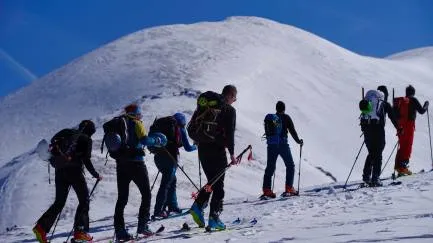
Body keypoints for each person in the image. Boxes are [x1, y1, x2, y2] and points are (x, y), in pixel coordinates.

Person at [33, 120, 101, 243]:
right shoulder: (86, 139)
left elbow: (52, 148)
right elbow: (86, 160)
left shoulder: (65, 133)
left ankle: (41, 228)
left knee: (59, 202)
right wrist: (96, 175)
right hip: (74, 171)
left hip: (59, 171)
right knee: (84, 199)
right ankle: (80, 232)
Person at [113, 104, 167, 241]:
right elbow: (144, 140)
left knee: (122, 199)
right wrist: (157, 140)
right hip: (136, 164)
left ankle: (119, 230)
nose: (140, 116)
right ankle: (142, 226)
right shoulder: (137, 123)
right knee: (146, 195)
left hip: (121, 164)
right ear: (136, 114)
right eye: (139, 113)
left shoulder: (119, 124)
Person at [189, 85, 238, 231]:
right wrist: (232, 153)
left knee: (212, 181)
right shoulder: (229, 110)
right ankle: (213, 218)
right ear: (230, 95)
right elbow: (230, 134)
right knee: (219, 185)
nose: (234, 101)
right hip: (217, 150)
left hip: (203, 149)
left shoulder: (207, 106)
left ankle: (198, 207)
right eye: (234, 98)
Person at [150, 112, 197, 219]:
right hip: (170, 158)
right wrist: (196, 146)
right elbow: (188, 148)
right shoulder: (180, 129)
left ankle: (172, 206)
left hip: (158, 157)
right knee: (166, 184)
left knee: (171, 180)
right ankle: (159, 210)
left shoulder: (163, 126)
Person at [261, 101, 303, 198]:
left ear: (276, 108)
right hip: (283, 144)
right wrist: (298, 141)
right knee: (290, 165)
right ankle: (289, 188)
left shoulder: (271, 118)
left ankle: (267, 190)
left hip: (271, 144)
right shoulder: (286, 117)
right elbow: (292, 131)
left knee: (270, 167)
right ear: (284, 109)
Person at [360, 86, 400, 187]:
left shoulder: (369, 101)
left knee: (371, 153)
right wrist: (399, 129)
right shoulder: (384, 103)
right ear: (385, 94)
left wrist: (364, 130)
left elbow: (363, 115)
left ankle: (366, 176)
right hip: (378, 130)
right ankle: (375, 178)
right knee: (378, 154)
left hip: (367, 130)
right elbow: (393, 117)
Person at [394, 85, 429, 176]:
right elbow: (421, 111)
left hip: (400, 127)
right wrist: (426, 104)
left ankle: (398, 166)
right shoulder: (413, 100)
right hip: (409, 126)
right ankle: (403, 167)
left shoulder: (401, 102)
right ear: (413, 92)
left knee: (402, 146)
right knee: (408, 146)